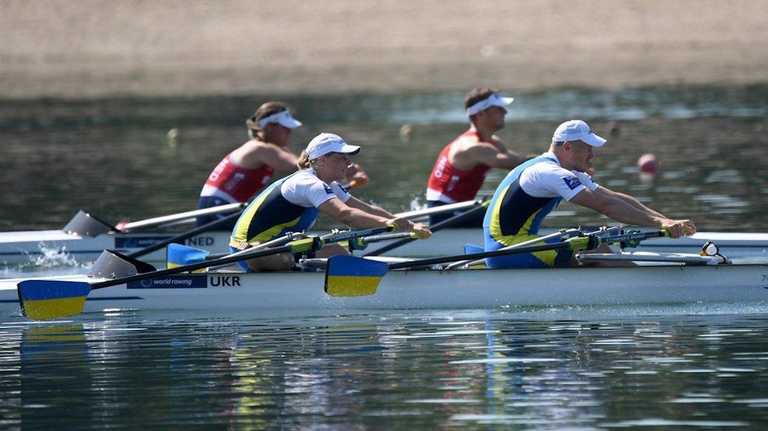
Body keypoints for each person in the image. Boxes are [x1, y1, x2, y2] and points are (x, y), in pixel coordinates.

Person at [482, 119, 696, 269]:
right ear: (567, 147)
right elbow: (605, 207)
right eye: (587, 148)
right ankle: (639, 289)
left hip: (519, 244)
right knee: (596, 250)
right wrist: (658, 225)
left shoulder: (562, 169)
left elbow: (612, 197)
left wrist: (665, 220)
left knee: (593, 242)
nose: (592, 154)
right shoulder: (549, 172)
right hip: (506, 248)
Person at [230, 133, 431, 272]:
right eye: (341, 158)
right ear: (321, 160)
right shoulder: (307, 182)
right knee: (296, 257)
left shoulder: (327, 184)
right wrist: (386, 225)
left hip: (276, 246)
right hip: (249, 251)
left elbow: (365, 209)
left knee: (338, 254)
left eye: (347, 159)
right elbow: (346, 215)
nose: (348, 164)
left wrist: (409, 225)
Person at [196, 101, 368, 228]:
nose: (289, 132)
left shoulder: (274, 149)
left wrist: (343, 170)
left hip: (224, 209)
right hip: (215, 212)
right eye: (285, 128)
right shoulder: (260, 149)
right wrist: (349, 170)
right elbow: (308, 167)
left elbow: (313, 169)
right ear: (270, 127)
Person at [425, 88, 527, 226]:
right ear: (480, 114)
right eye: (498, 109)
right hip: (443, 213)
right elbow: (515, 163)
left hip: (459, 209)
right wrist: (555, 159)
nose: (505, 112)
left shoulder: (493, 142)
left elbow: (521, 163)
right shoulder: (472, 146)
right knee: (511, 214)